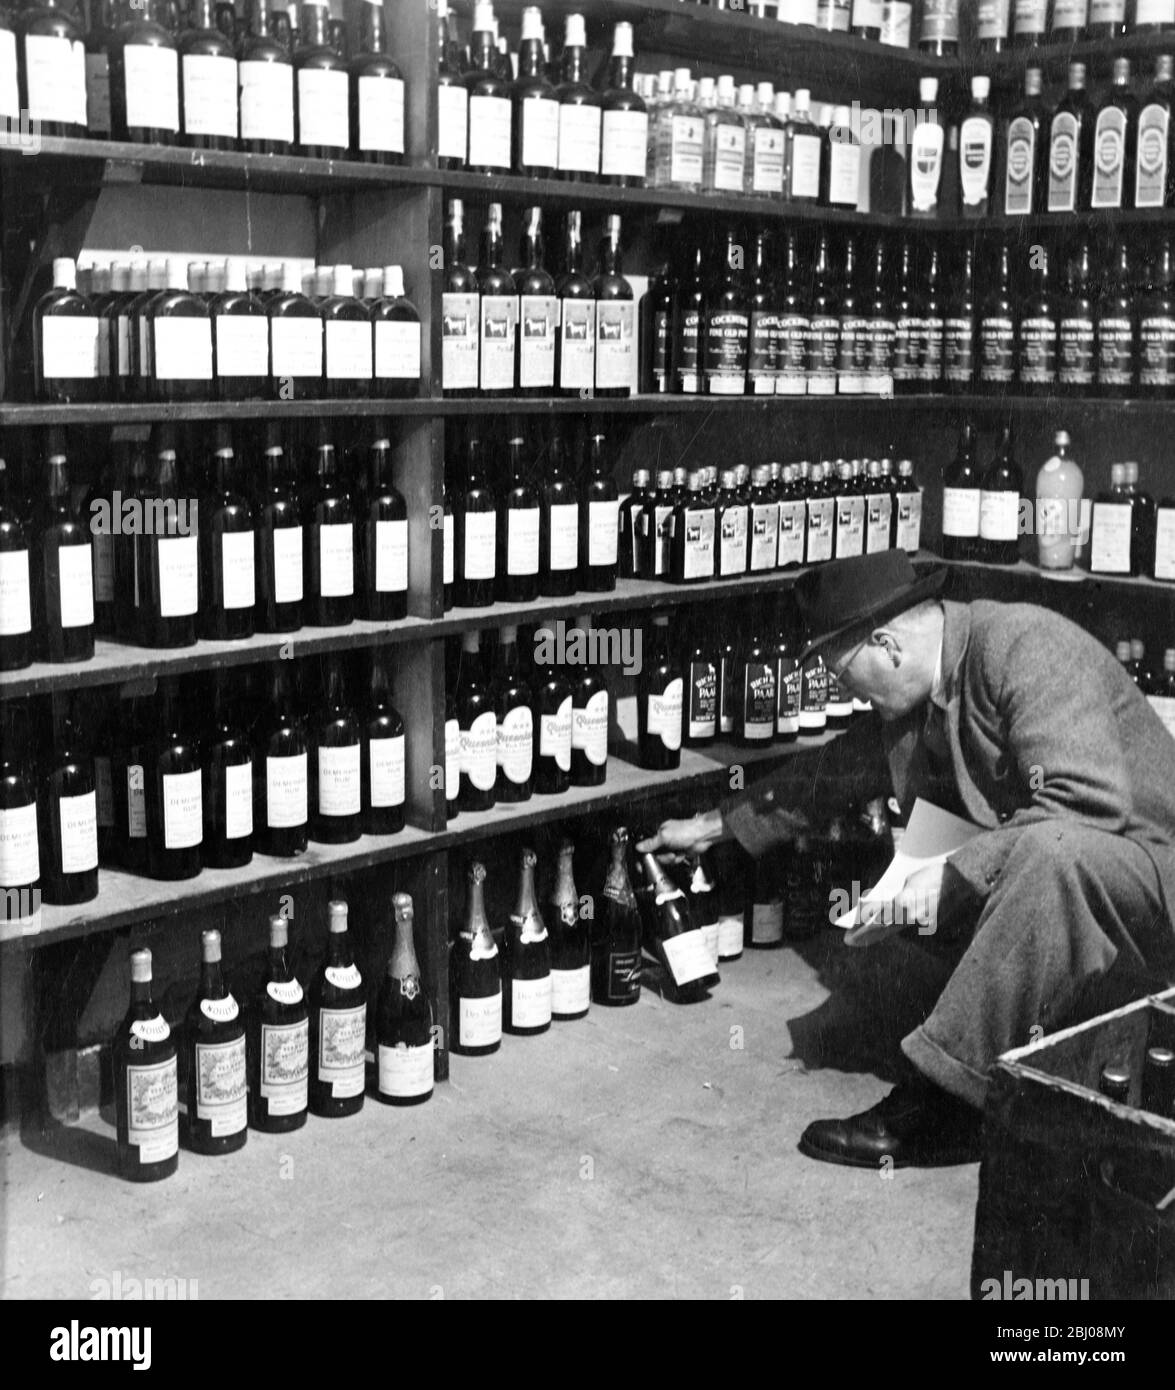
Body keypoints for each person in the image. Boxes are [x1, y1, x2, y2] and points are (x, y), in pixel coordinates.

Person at [638, 550, 1175, 1168]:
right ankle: (990, 1050)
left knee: (1045, 853)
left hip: (1151, 882)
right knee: (954, 855)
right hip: (1081, 872)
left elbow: (1085, 807)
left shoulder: (1027, 645)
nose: (848, 696)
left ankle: (945, 1104)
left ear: (887, 645)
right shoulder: (929, 690)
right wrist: (711, 829)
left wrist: (951, 873)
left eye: (845, 679)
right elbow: (831, 772)